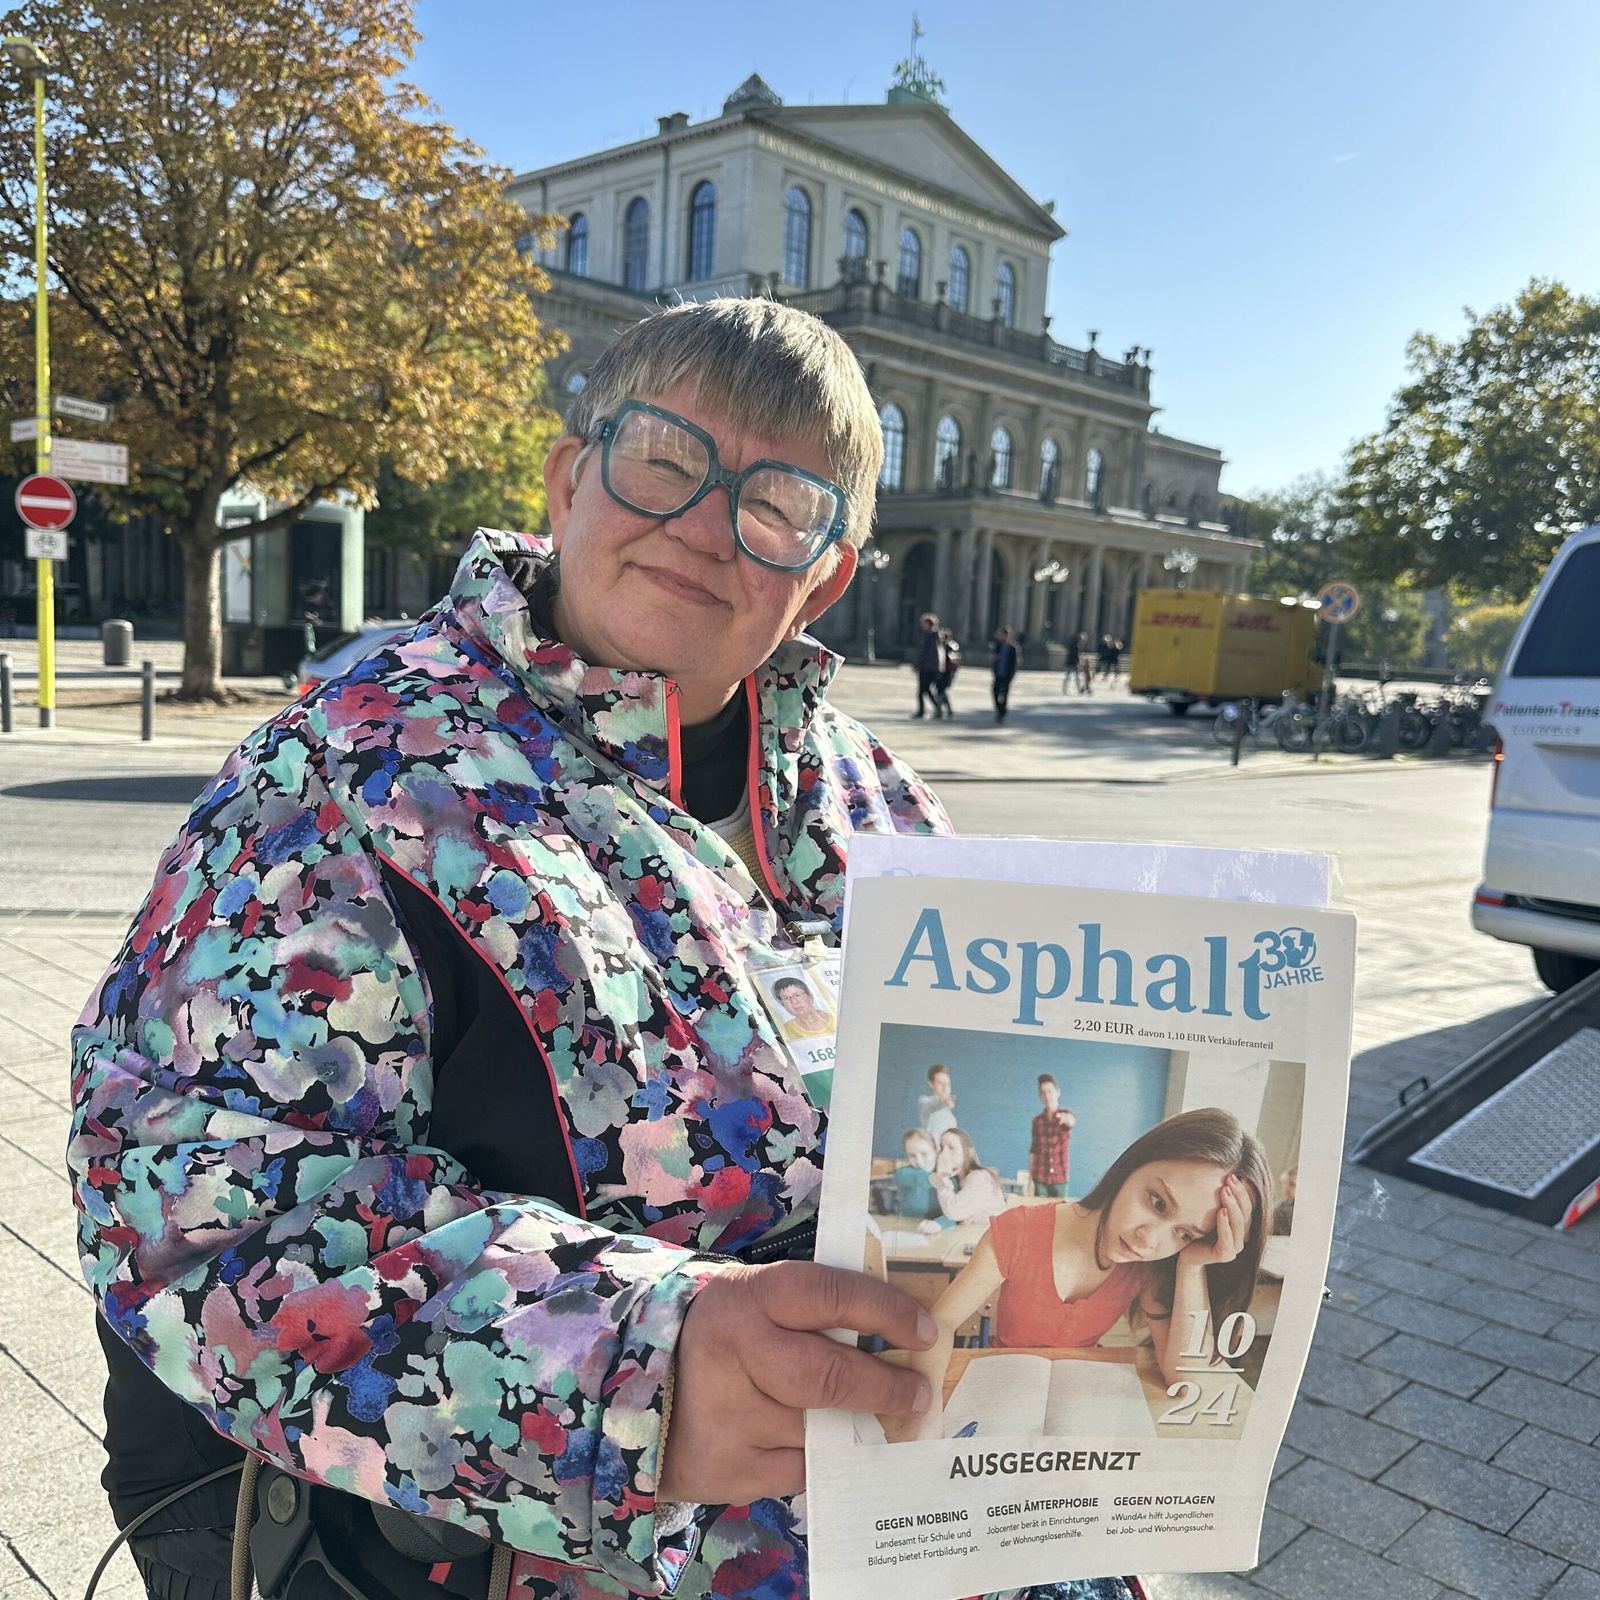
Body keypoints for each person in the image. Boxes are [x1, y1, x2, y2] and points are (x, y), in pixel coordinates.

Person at [68, 300, 1165, 1600]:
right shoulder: (352, 773)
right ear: (566, 476)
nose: (702, 525)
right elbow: (197, 1215)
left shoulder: (875, 800)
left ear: (824, 572)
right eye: (662, 458)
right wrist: (640, 1369)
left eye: (776, 502)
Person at [889, 1108, 1270, 1441]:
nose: (1149, 1239)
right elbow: (940, 1321)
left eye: (1184, 1233)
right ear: (1131, 1166)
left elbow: (1187, 1379)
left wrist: (1192, 1264)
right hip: (1001, 1390)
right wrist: (924, 1413)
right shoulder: (1018, 1230)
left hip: (1082, 1404)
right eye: (1156, 1203)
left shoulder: (1149, 1266)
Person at [928, 1126, 1009, 1226]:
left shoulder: (979, 1177)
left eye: (951, 1148)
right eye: (941, 1148)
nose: (944, 1154)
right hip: (975, 1233)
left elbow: (954, 1212)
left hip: (992, 1235)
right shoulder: (957, 1178)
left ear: (968, 1152)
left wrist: (943, 1178)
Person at [893, 1128, 956, 1232]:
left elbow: (953, 1214)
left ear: (936, 1152)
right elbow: (917, 1178)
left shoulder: (950, 1178)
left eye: (924, 1154)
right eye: (912, 1155)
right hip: (907, 1228)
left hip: (938, 1232)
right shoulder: (903, 1173)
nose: (919, 1161)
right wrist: (933, 1179)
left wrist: (939, 1223)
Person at [1029, 1072, 1076, 1197]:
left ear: (1057, 1092)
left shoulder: (1065, 1114)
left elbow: (1071, 1121)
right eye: (1043, 1093)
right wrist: (1030, 1180)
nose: (1047, 1096)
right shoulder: (1037, 1121)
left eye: (1050, 1091)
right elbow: (1034, 1150)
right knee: (1040, 1214)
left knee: (1059, 1213)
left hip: (1060, 1178)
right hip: (1040, 1178)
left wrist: (1066, 1118)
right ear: (1040, 1096)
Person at [770, 973, 834, 1041]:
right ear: (782, 1004)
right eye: (786, 998)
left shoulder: (836, 1019)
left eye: (797, 995)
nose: (794, 1002)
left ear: (810, 996)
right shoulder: (784, 1031)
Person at [912, 610, 946, 718]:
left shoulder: (928, 635)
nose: (922, 625)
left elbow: (923, 652)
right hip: (934, 667)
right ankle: (935, 708)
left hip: (926, 667)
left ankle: (923, 711)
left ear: (928, 624)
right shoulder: (937, 636)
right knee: (925, 690)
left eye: (924, 623)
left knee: (922, 691)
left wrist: (917, 664)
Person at [918, 1062, 959, 1140]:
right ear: (931, 1084)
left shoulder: (948, 1114)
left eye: (948, 1084)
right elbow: (935, 1103)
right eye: (940, 1083)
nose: (945, 1088)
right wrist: (943, 1101)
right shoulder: (925, 1102)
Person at [990, 626, 1019, 722]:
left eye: (1003, 635)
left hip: (1007, 674)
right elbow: (993, 658)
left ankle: (1002, 712)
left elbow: (1016, 662)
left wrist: (1013, 674)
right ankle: (1000, 709)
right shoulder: (997, 646)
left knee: (1004, 694)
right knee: (995, 691)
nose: (1001, 637)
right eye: (1000, 635)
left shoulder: (1013, 648)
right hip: (998, 673)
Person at [936, 627, 961, 717]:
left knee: (941, 691)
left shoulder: (947, 646)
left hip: (945, 671)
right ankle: (945, 709)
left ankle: (940, 709)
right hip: (948, 671)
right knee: (942, 691)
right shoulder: (954, 645)